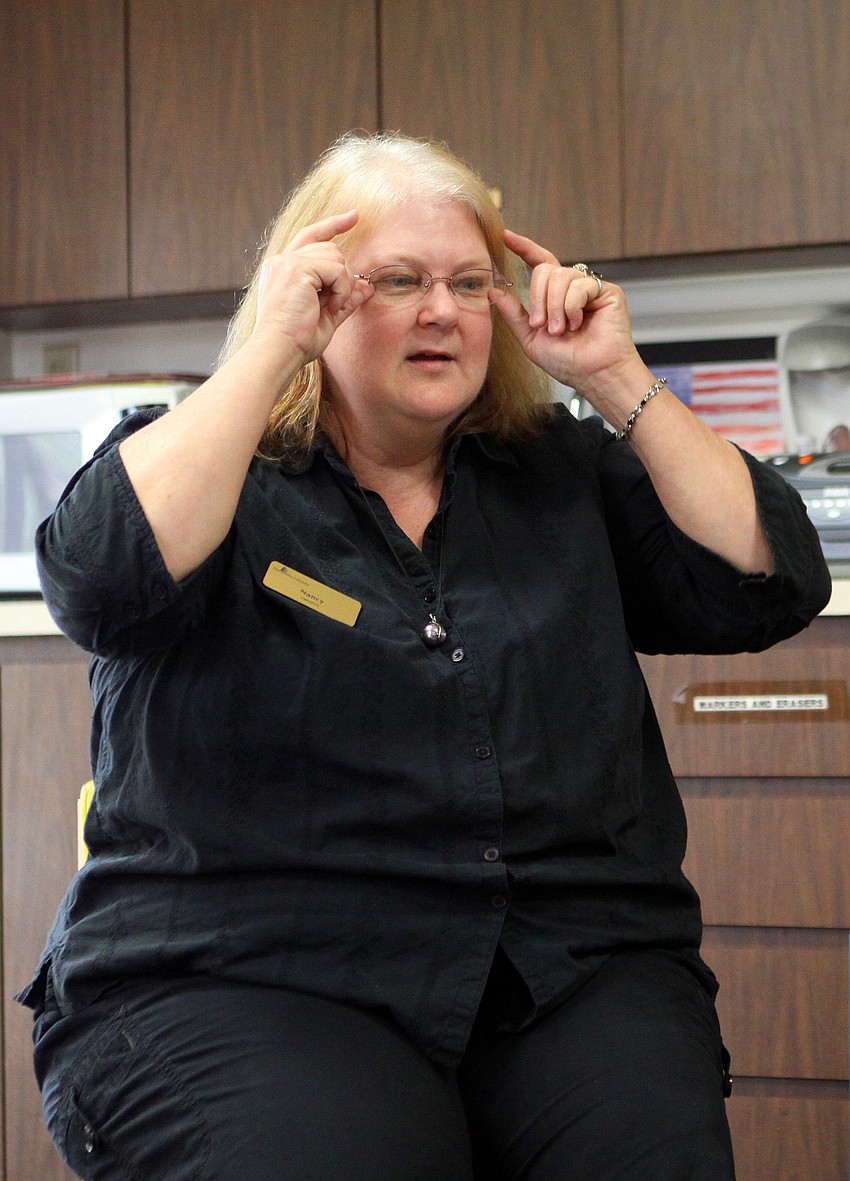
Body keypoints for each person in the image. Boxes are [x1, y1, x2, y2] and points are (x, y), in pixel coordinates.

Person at [19, 131, 830, 1181]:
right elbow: (96, 581)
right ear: (314, 291)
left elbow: (769, 578)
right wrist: (268, 351)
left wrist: (615, 375)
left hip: (558, 963)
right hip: (247, 965)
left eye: (469, 281)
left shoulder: (560, 471)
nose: (442, 310)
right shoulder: (214, 459)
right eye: (397, 281)